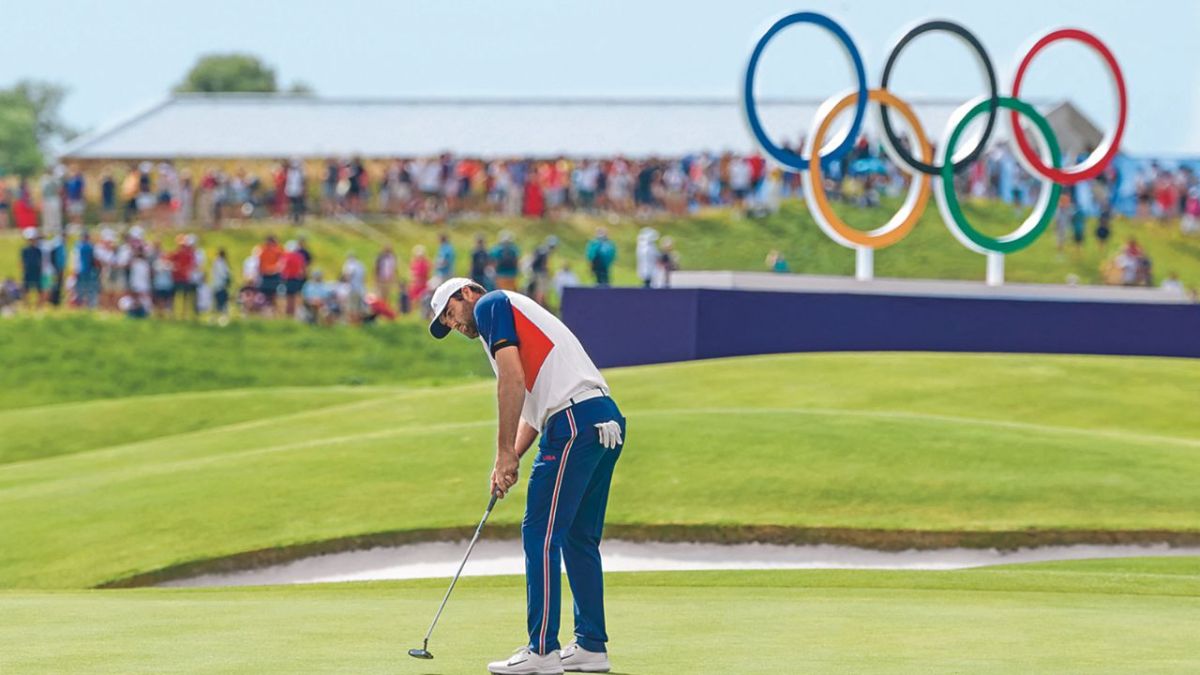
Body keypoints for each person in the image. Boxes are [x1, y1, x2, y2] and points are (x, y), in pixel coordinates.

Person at [428, 278, 625, 675]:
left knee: (540, 533)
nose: (454, 325)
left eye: (450, 313)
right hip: (603, 419)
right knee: (577, 537)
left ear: (468, 292)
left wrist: (502, 453)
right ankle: (590, 646)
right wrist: (510, 459)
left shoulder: (491, 306)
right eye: (447, 324)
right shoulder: (510, 318)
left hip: (571, 422)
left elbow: (512, 382)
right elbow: (534, 411)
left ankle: (541, 650)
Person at [281, 240, 308, 318]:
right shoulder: (299, 257)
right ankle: (293, 314)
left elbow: (283, 269)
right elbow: (302, 270)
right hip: (296, 279)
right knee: (295, 297)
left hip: (288, 279)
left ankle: (288, 314)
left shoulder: (287, 256)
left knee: (288, 298)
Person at [20, 229, 44, 308]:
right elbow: (22, 262)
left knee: (39, 289)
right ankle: (27, 305)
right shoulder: (25, 250)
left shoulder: (38, 250)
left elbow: (40, 262)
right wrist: (23, 271)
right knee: (26, 289)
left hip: (36, 272)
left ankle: (38, 306)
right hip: (28, 272)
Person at [211, 248, 231, 317]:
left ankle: (219, 314)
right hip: (219, 285)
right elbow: (223, 274)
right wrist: (227, 279)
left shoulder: (221, 262)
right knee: (219, 300)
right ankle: (218, 314)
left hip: (219, 284)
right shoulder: (219, 262)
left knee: (220, 300)